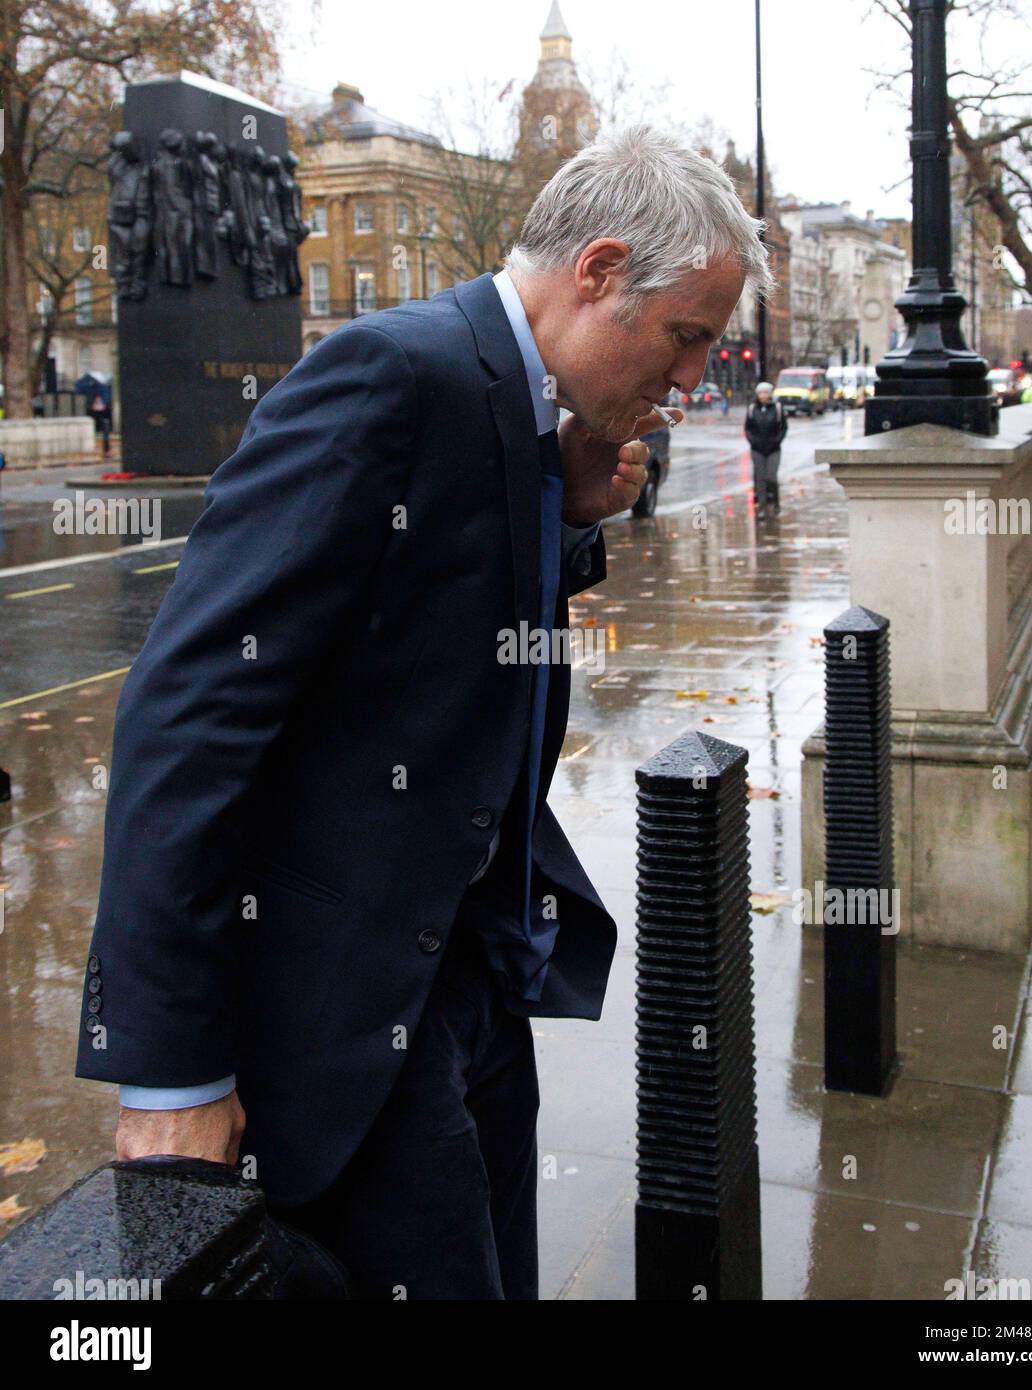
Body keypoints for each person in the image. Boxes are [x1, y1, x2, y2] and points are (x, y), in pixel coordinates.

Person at [73, 124, 773, 1300]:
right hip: (342, 1013)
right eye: (686, 337)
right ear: (598, 273)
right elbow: (189, 711)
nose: (694, 378)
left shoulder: (521, 396)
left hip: (468, 980)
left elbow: (434, 638)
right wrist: (173, 1072)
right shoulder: (391, 373)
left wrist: (573, 522)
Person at [745, 379, 787, 516]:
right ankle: (761, 507)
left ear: (770, 394)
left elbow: (783, 428)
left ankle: (775, 503)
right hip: (757, 449)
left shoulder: (777, 408)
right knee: (760, 478)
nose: (763, 395)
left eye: (766, 392)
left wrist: (777, 440)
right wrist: (753, 441)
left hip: (773, 448)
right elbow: (748, 428)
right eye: (761, 392)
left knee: (771, 477)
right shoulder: (752, 409)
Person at [88, 392, 111, 458]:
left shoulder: (105, 406)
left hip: (104, 424)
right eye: (97, 399)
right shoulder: (93, 406)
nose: (98, 400)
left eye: (99, 398)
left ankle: (106, 451)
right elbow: (91, 415)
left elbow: (107, 415)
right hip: (96, 425)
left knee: (105, 438)